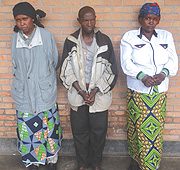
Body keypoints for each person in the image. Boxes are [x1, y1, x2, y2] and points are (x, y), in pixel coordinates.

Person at [120, 2, 178, 170]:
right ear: (140, 19)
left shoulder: (166, 36)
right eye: (147, 18)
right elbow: (126, 63)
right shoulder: (129, 37)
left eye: (154, 19)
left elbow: (173, 61)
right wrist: (142, 76)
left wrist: (163, 74)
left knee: (154, 132)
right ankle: (135, 159)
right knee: (135, 127)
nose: (150, 22)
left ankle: (150, 166)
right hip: (138, 91)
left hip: (159, 93)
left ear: (158, 20)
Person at [60, 6, 117, 170]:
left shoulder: (104, 41)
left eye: (92, 19)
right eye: (85, 20)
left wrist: (94, 91)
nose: (89, 23)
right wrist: (81, 91)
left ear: (95, 19)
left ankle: (96, 164)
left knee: (99, 133)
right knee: (80, 133)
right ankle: (83, 164)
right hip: (78, 96)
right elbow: (65, 70)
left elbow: (111, 71)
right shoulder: (71, 41)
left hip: (99, 96)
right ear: (79, 21)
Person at [11, 2, 62, 170]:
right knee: (28, 131)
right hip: (24, 93)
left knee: (48, 128)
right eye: (18, 20)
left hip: (44, 92)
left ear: (32, 18)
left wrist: (43, 78)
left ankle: (50, 160)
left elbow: (54, 61)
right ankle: (32, 161)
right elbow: (15, 64)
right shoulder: (15, 38)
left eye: (24, 19)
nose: (21, 23)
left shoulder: (45, 36)